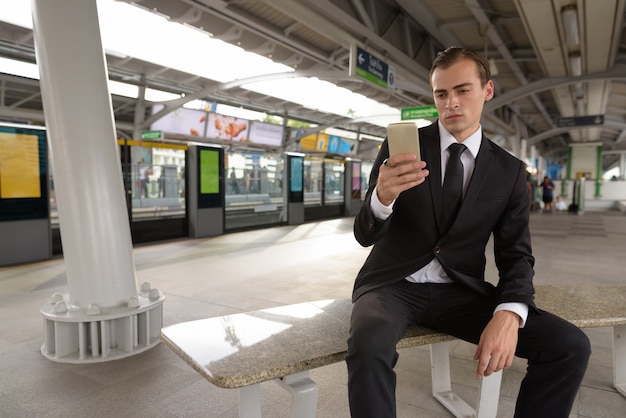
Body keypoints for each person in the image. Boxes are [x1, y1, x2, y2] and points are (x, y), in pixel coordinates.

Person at [346, 46, 590, 418]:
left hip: (459, 292)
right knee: (368, 346)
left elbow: (516, 254)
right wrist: (382, 197)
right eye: (441, 94)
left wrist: (510, 312)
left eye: (463, 90)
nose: (451, 103)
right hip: (392, 285)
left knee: (570, 345)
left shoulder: (508, 171)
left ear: (487, 90)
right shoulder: (402, 149)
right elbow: (364, 235)